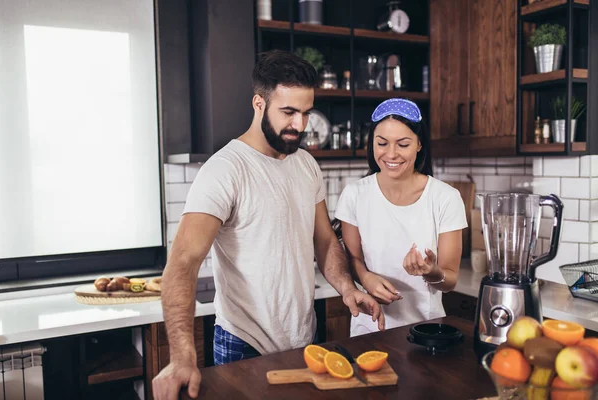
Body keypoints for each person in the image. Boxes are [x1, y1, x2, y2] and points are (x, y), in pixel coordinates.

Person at [152, 50, 384, 400]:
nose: (300, 125)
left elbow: (324, 241)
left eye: (306, 112)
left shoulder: (305, 164)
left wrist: (347, 288)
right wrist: (183, 356)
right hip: (244, 344)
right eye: (288, 112)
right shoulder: (225, 169)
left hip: (303, 340)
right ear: (259, 103)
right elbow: (182, 263)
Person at [334, 98, 467, 337]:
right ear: (372, 144)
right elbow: (352, 259)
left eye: (403, 144)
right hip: (370, 330)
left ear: (419, 145)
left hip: (426, 333)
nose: (391, 154)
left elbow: (450, 280)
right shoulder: (354, 195)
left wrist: (431, 271)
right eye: (382, 143)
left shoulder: (446, 197)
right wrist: (366, 278)